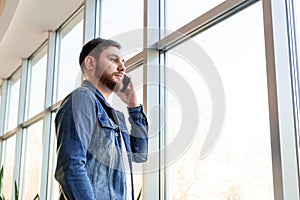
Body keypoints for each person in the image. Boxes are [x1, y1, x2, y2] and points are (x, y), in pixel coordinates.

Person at [54, 38, 148, 200]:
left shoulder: (115, 116)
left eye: (123, 62)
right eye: (113, 60)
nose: (122, 67)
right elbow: (70, 167)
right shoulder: (82, 99)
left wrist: (134, 106)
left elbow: (140, 154)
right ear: (90, 63)